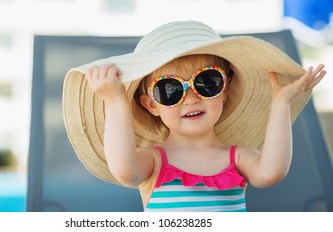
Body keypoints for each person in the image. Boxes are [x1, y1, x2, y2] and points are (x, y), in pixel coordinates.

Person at [62, 21, 326, 211]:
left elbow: (271, 173)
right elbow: (124, 171)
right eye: (170, 90)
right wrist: (115, 99)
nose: (191, 97)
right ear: (151, 105)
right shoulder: (154, 161)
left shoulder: (238, 157)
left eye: (206, 82)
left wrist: (280, 102)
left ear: (225, 90)